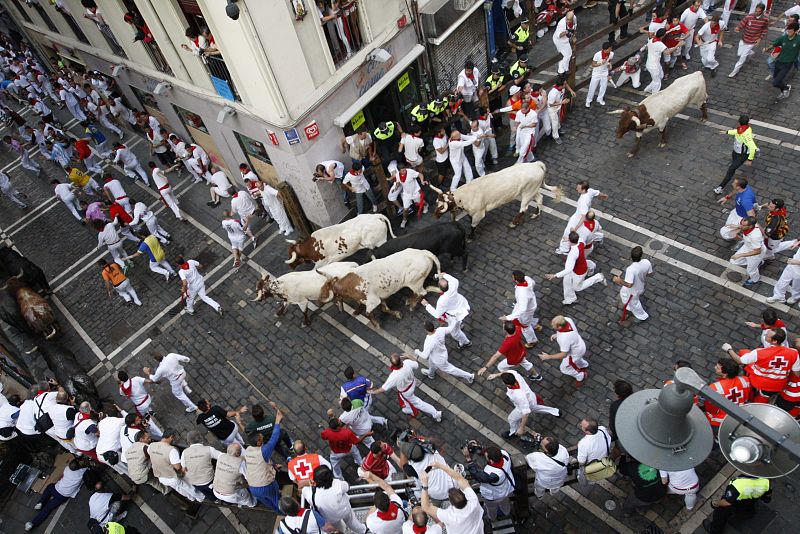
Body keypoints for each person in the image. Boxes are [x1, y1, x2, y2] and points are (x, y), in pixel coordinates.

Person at [723, 329, 800, 402]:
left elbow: (740, 361)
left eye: (767, 336)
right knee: (764, 396)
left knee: (744, 352)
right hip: (779, 385)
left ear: (774, 341)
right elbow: (797, 373)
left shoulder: (759, 352)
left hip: (760, 382)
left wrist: (729, 350)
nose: (765, 335)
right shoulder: (794, 353)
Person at [369, 353, 443, 422]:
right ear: (401, 360)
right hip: (412, 383)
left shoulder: (393, 376)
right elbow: (416, 363)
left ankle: (436, 413)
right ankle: (407, 408)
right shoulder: (407, 363)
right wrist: (408, 355)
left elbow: (383, 389)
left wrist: (372, 392)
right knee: (406, 401)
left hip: (406, 392)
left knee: (419, 403)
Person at [25, 457, 89, 531]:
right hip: (63, 496)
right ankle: (33, 523)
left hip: (56, 489)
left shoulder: (67, 469)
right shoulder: (83, 472)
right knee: (48, 508)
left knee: (49, 487)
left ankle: (40, 503)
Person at [490, 370, 559, 438]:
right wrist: (495, 375)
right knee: (537, 408)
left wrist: (521, 428)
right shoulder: (513, 374)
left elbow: (525, 413)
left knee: (511, 419)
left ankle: (513, 432)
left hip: (523, 405)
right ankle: (556, 411)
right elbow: (506, 373)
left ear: (507, 384)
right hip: (531, 398)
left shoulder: (518, 395)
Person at [420, 462, 484, 534]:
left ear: (451, 503)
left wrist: (424, 484)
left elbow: (426, 507)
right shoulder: (473, 500)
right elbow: (459, 478)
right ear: (465, 496)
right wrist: (441, 466)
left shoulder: (449, 516)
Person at [546, 231, 606, 305]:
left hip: (579, 271)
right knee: (567, 281)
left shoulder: (573, 253)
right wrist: (568, 239)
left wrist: (555, 275)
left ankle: (599, 277)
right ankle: (570, 298)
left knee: (577, 287)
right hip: (580, 264)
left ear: (570, 240)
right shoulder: (580, 242)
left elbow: (568, 269)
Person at [303, 465, 366, 533]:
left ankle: (341, 532)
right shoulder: (338, 483)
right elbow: (347, 486)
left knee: (337, 528)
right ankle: (362, 531)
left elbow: (302, 489)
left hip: (330, 517)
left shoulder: (311, 494)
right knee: (352, 521)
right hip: (345, 510)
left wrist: (309, 483)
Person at [148, 429, 205, 502]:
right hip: (172, 477)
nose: (175, 440)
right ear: (171, 437)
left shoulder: (151, 446)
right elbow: (178, 467)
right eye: (175, 438)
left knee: (179, 489)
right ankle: (200, 498)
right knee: (188, 487)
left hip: (161, 477)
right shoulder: (171, 450)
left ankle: (191, 498)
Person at [463, 445, 515, 522]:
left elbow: (477, 475)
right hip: (505, 490)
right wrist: (477, 448)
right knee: (505, 503)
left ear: (491, 461)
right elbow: (488, 452)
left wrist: (469, 459)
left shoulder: (492, 475)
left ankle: (492, 518)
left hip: (493, 496)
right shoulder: (504, 454)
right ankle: (507, 513)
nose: (485, 456)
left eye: (486, 456)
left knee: (491, 508)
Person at [422, 273, 471, 349]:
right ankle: (459, 326)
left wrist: (426, 305)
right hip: (462, 306)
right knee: (457, 325)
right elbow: (446, 275)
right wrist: (440, 275)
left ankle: (466, 342)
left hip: (454, 316)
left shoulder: (442, 301)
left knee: (455, 333)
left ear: (440, 289)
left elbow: (437, 314)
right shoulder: (454, 283)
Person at [706, 476, 772, 533]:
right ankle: (748, 513)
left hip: (736, 501)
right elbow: (767, 498)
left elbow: (727, 502)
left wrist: (715, 503)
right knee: (748, 506)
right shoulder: (766, 481)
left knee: (720, 511)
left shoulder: (736, 485)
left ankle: (714, 530)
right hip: (750, 500)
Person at [540, 316, 591, 386]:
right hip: (580, 344)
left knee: (564, 368)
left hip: (574, 353)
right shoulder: (567, 319)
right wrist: (557, 334)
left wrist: (549, 356)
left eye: (553, 325)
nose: (551, 325)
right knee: (578, 360)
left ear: (560, 327)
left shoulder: (563, 338)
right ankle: (584, 365)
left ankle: (581, 376)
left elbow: (564, 354)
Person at [713, 115, 758, 194]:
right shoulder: (744, 128)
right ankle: (732, 171)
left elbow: (752, 148)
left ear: (739, 122)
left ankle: (721, 187)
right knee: (732, 167)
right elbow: (736, 131)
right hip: (736, 152)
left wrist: (750, 159)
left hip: (742, 155)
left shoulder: (746, 134)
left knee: (730, 170)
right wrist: (727, 132)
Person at [704, 359, 751, 429]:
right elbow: (748, 396)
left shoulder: (714, 388)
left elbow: (711, 408)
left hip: (719, 421)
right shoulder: (745, 380)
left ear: (725, 374)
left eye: (717, 368)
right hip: (739, 416)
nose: (714, 367)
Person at [501, 270, 541, 348]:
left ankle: (533, 341)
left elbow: (522, 310)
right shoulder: (527, 279)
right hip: (529, 304)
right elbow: (534, 283)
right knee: (527, 319)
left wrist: (508, 317)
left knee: (525, 326)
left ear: (516, 280)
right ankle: (535, 325)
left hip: (525, 310)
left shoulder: (522, 294)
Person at [613, 246, 653, 322]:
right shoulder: (646, 262)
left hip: (634, 290)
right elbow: (650, 274)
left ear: (631, 256)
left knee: (635, 303)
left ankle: (642, 316)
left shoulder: (630, 269)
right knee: (623, 292)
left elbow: (629, 285)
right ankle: (628, 305)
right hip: (640, 285)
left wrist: (619, 281)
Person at [729, 4, 770, 77]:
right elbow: (742, 23)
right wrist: (738, 28)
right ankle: (750, 53)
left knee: (742, 58)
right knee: (739, 54)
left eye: (759, 11)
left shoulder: (765, 19)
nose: (756, 12)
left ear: (762, 11)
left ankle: (734, 71)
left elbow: (765, 30)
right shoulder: (749, 16)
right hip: (744, 38)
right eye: (756, 11)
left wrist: (759, 39)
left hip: (752, 40)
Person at [180, 430, 221, 500]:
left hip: (195, 483)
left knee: (208, 494)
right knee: (219, 491)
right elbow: (221, 456)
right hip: (209, 480)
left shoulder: (184, 452)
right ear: (201, 439)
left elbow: (183, 468)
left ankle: (215, 500)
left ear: (188, 442)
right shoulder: (209, 449)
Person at [212, 443, 257, 507]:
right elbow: (249, 478)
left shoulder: (221, 456)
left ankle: (240, 503)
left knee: (238, 497)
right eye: (240, 449)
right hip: (230, 494)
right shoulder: (240, 463)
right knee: (246, 498)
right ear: (237, 453)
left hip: (216, 491)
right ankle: (252, 504)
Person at [767, 22, 800, 99]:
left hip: (787, 64)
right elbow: (774, 44)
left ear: (796, 31)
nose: (788, 33)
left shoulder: (798, 40)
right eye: (788, 31)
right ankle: (784, 90)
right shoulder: (783, 38)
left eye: (791, 31)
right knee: (776, 78)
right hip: (778, 62)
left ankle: (786, 88)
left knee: (775, 83)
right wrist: (767, 48)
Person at [729, 216, 765, 286]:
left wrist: (740, 255)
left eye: (743, 225)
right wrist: (736, 226)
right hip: (747, 247)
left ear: (750, 226)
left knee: (750, 271)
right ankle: (757, 263)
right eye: (741, 224)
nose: (741, 226)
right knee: (733, 261)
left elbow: (757, 251)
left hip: (755, 253)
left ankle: (755, 279)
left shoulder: (755, 237)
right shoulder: (752, 226)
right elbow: (743, 226)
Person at [576, 418, 612, 485]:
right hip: (604, 458)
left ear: (588, 432)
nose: (580, 424)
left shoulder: (583, 444)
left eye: (582, 426)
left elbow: (581, 461)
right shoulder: (602, 429)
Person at [586, 42, 613, 107]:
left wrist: (610, 65)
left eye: (611, 49)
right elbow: (593, 64)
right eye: (609, 49)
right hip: (596, 73)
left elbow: (609, 61)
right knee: (592, 87)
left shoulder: (611, 54)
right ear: (605, 49)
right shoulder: (597, 55)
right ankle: (588, 100)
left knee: (603, 87)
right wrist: (601, 63)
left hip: (605, 73)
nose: (610, 50)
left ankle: (600, 98)